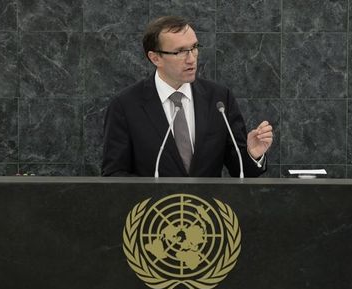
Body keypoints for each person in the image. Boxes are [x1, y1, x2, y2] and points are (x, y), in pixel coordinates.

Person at [101, 16, 273, 177]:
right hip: (155, 208)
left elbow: (240, 170)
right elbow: (114, 174)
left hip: (206, 208)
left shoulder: (219, 99)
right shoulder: (125, 105)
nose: (191, 59)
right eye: (180, 51)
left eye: (194, 48)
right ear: (155, 58)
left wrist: (252, 154)